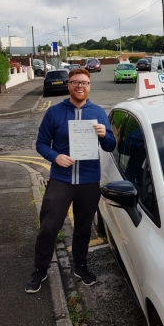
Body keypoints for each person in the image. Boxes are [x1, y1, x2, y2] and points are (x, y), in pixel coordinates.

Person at [25, 68, 116, 293]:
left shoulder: (98, 112)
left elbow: (111, 145)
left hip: (88, 179)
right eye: (75, 82)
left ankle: (81, 266)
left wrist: (105, 134)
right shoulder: (54, 113)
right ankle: (40, 269)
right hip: (61, 178)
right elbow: (41, 144)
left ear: (89, 86)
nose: (79, 86)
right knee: (49, 226)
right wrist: (56, 156)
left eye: (84, 83)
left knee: (84, 228)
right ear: (69, 85)